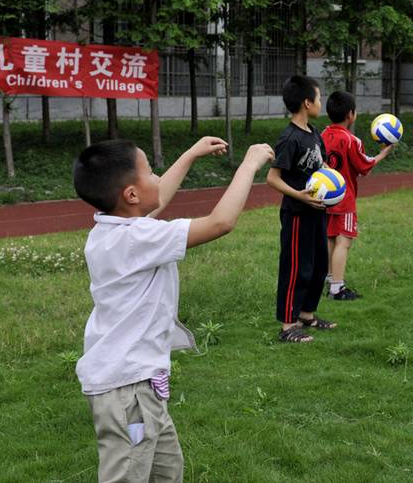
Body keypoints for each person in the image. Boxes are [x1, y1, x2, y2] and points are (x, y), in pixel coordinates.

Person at [73, 135, 274, 482]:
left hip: (140, 385)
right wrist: (249, 165)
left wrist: (192, 154)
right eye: (150, 172)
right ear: (131, 195)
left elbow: (157, 197)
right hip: (128, 390)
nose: (156, 178)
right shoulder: (137, 238)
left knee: (166, 471)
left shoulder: (110, 230)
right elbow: (219, 223)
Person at [266, 75, 336, 343]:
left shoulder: (314, 133)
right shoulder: (289, 138)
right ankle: (287, 325)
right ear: (307, 103)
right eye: (319, 98)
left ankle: (307, 314)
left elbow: (321, 165)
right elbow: (272, 178)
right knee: (297, 267)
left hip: (317, 209)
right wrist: (299, 196)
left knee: (319, 264)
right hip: (297, 212)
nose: (321, 103)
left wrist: (333, 178)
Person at [321, 92, 394, 300]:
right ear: (350, 115)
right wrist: (382, 154)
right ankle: (337, 288)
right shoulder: (352, 140)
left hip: (325, 197)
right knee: (344, 241)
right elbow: (364, 166)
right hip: (344, 199)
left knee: (329, 238)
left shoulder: (322, 135)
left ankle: (328, 277)